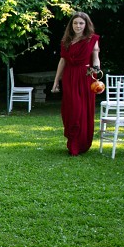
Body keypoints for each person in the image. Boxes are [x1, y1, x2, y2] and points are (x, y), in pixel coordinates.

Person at [51, 11, 101, 156]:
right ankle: (73, 142)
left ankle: (81, 144)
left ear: (86, 25)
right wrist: (56, 81)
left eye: (81, 23)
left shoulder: (92, 39)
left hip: (86, 76)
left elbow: (96, 58)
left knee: (82, 110)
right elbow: (62, 61)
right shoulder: (66, 41)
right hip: (69, 77)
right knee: (71, 110)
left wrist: (96, 70)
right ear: (71, 25)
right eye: (75, 23)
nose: (78, 26)